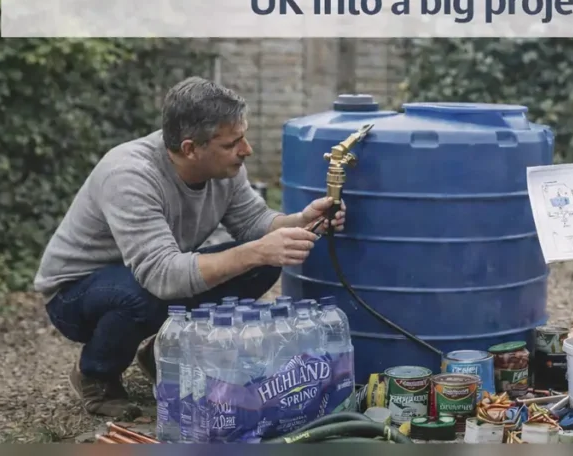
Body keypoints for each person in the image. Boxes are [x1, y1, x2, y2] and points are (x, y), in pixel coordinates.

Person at [32, 76, 347, 418]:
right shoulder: (129, 175)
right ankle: (95, 375)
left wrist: (300, 221)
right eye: (232, 143)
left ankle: (166, 351)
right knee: (139, 295)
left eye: (242, 138)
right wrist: (256, 251)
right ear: (190, 149)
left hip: (149, 274)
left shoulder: (223, 167)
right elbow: (163, 276)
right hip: (76, 293)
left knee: (265, 258)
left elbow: (252, 223)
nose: (247, 150)